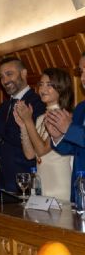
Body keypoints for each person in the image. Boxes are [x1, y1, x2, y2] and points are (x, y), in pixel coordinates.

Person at [0, 57, 45, 193]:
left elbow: (23, 139)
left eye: (9, 74)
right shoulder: (4, 106)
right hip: (3, 182)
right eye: (1, 77)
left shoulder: (36, 102)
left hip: (26, 182)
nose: (5, 81)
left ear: (23, 73)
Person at [13, 68, 72, 202]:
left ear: (61, 88)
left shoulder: (64, 117)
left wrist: (28, 120)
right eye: (41, 84)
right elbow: (31, 154)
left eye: (49, 85)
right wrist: (23, 126)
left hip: (59, 185)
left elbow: (42, 150)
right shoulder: (40, 118)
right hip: (41, 183)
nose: (43, 89)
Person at [47, 53, 85, 205]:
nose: (82, 78)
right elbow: (72, 148)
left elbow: (74, 132)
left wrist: (68, 128)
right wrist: (57, 136)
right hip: (79, 191)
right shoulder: (81, 108)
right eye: (81, 71)